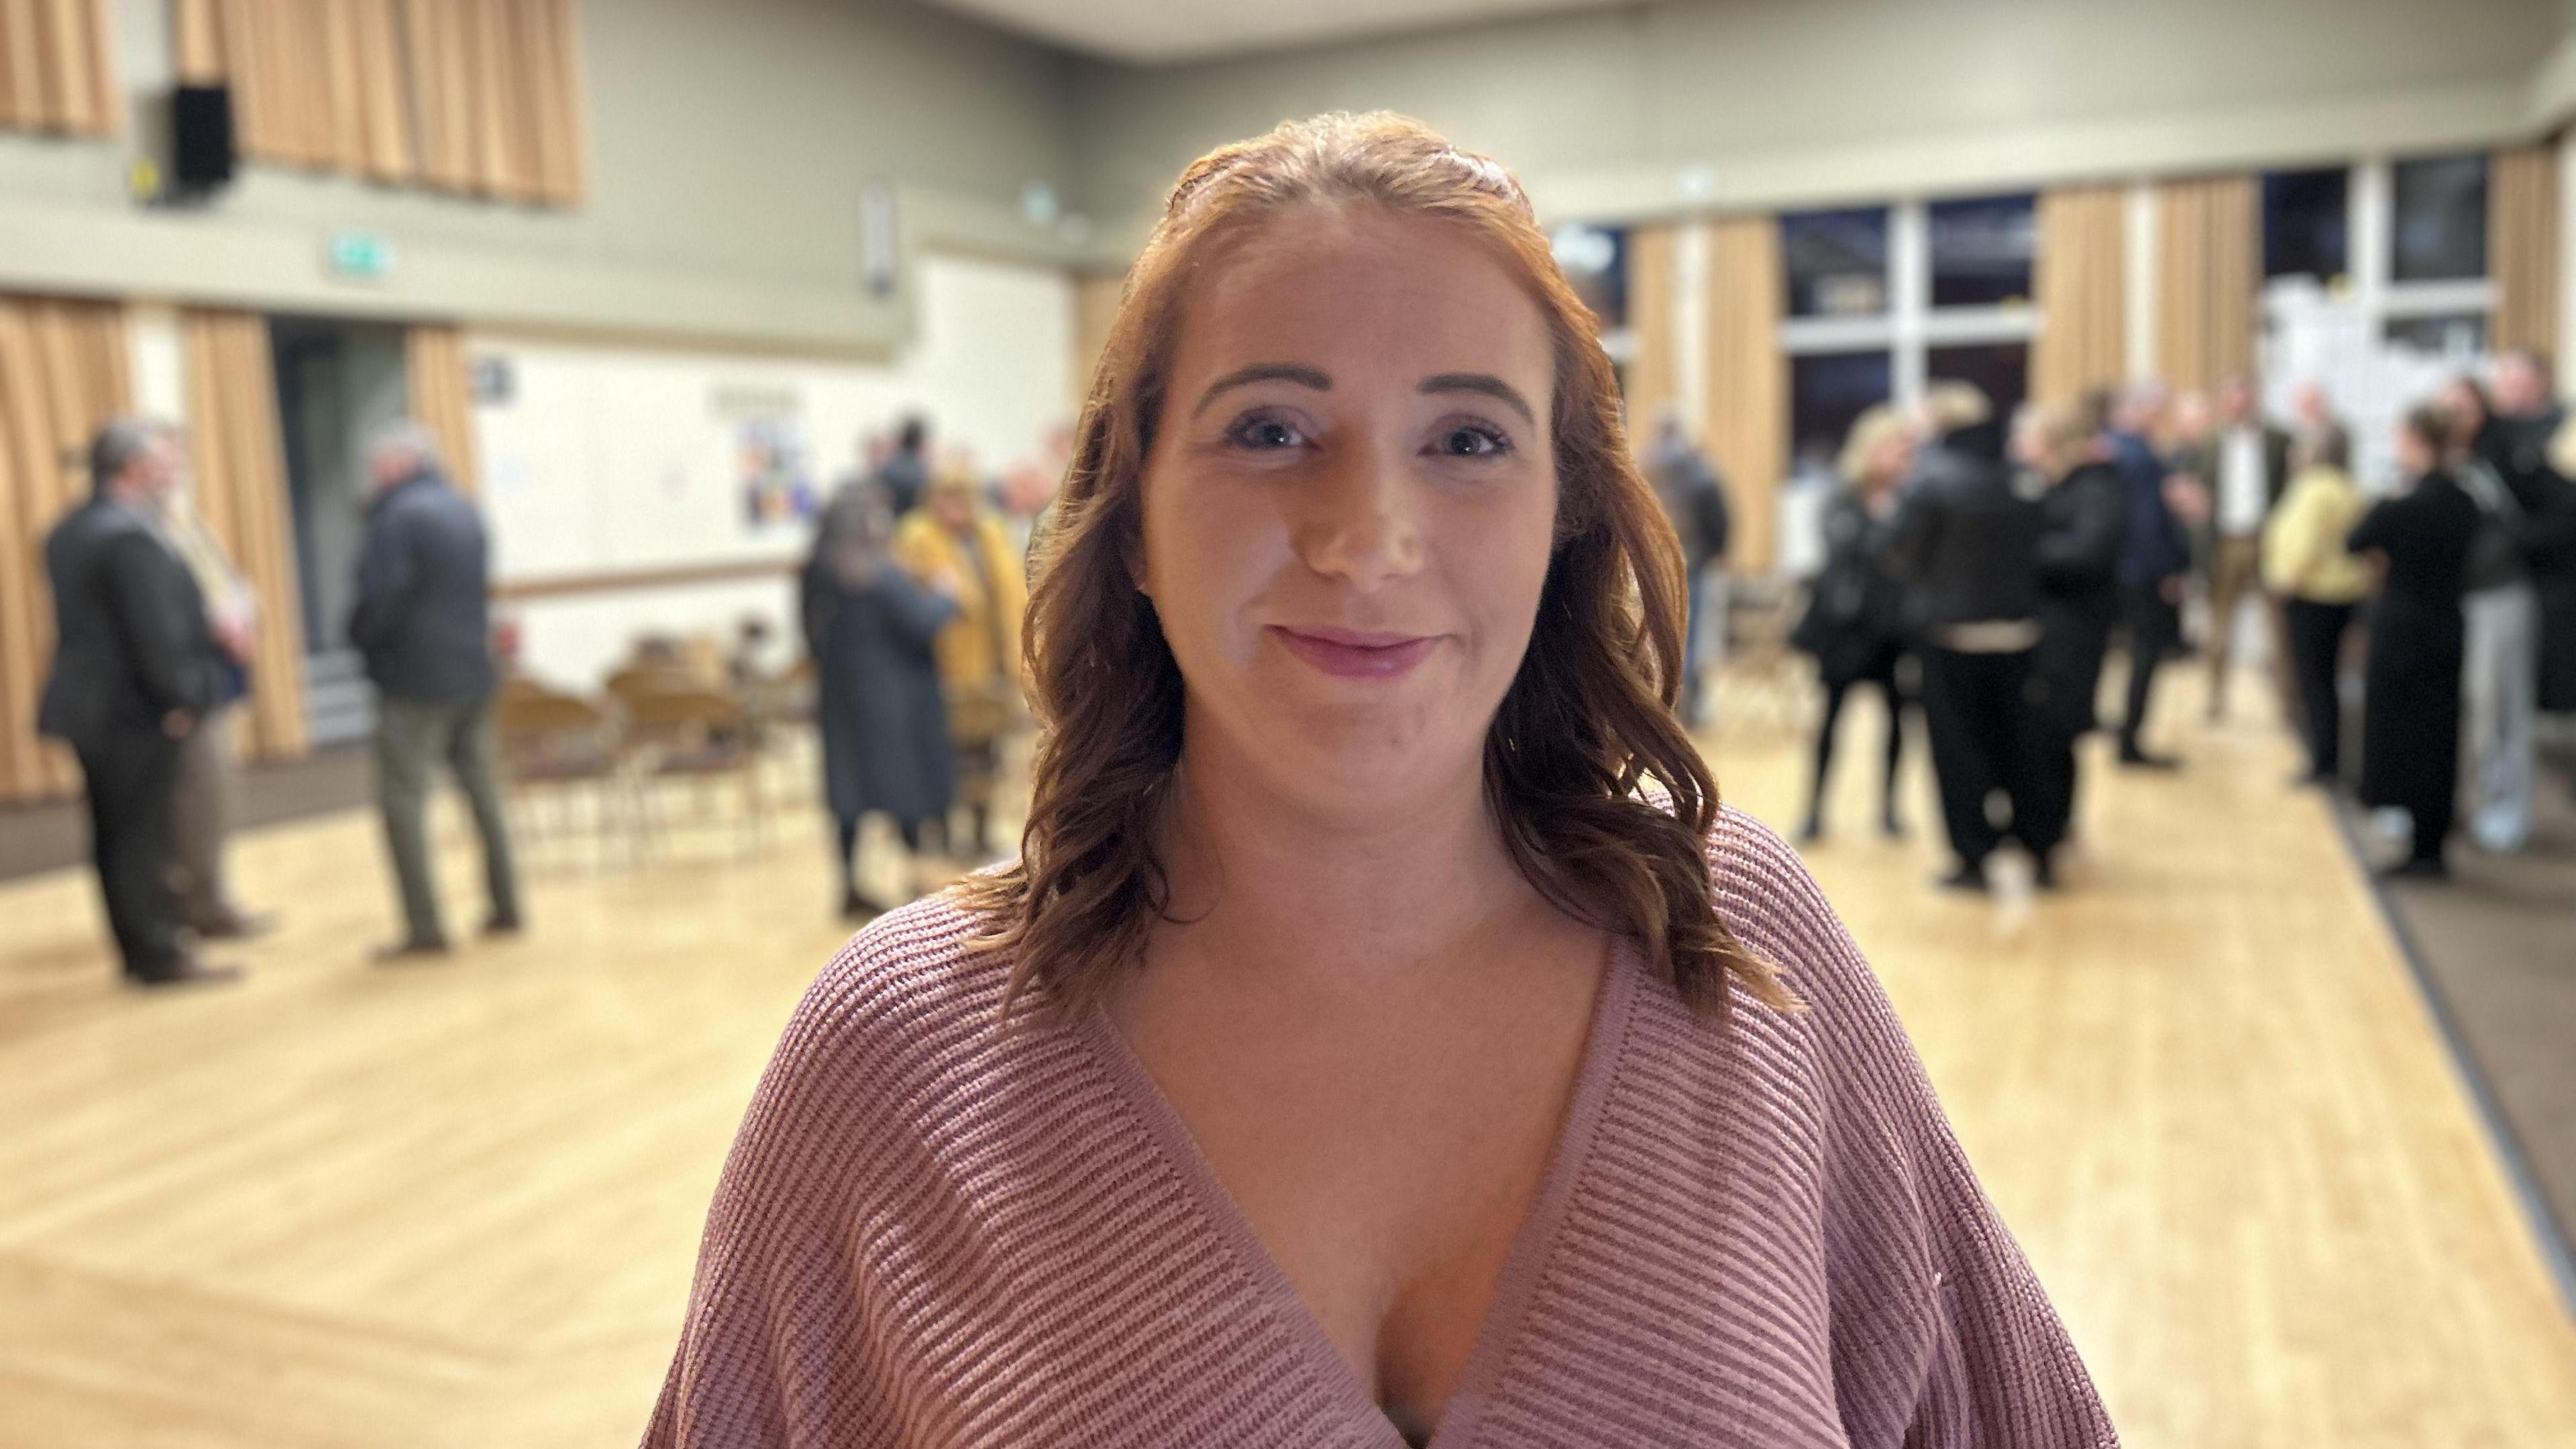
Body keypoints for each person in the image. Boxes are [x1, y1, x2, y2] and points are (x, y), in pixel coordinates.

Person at [645, 113, 2113, 1448]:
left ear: (1561, 522)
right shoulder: (898, 1058)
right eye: (1271, 430)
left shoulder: (1737, 954)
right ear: (1137, 520)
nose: (1369, 533)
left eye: (1468, 440)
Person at [36, 420, 240, 987]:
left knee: (115, 834)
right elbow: (155, 632)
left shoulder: (71, 528)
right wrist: (180, 699)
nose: (170, 474)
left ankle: (140, 945)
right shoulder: (130, 535)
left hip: (92, 706)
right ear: (132, 469)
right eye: (161, 464)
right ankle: (157, 953)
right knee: (141, 838)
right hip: (131, 709)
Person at [348, 423, 523, 958]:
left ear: (399, 464)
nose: (372, 477)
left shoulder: (397, 517)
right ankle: (507, 905)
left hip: (415, 680)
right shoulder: (463, 507)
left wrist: (361, 642)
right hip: (472, 671)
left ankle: (425, 927)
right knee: (485, 792)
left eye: (378, 466)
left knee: (403, 799)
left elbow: (382, 600)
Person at [1886, 382, 2055, 891]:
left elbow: (1902, 555)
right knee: (2023, 748)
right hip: (2020, 633)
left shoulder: (1929, 479)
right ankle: (2040, 851)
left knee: (1958, 755)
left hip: (1950, 637)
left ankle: (1973, 859)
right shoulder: (2023, 474)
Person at [802, 476, 959, 918]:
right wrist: (946, 596)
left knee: (848, 796)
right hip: (894, 703)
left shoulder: (817, 571)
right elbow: (922, 623)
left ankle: (850, 887)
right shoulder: (881, 574)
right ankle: (920, 881)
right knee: (904, 789)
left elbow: (809, 636)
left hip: (839, 700)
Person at [2350, 406, 2479, 879]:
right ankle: (2432, 842)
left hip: (2401, 631)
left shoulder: (2400, 505)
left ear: (2415, 442)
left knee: (2400, 736)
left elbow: (2355, 540)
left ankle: (2409, 837)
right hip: (2446, 627)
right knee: (2439, 737)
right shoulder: (2464, 501)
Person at [158, 472, 272, 938]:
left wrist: (244, 621)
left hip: (214, 675)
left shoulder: (190, 526)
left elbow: (222, 585)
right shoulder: (151, 536)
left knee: (214, 792)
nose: (173, 470)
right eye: (165, 460)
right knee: (197, 795)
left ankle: (211, 894)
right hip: (185, 684)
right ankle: (198, 901)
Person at [896, 463, 1029, 861]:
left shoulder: (991, 534)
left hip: (992, 663)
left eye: (962, 500)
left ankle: (981, 832)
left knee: (988, 751)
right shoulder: (915, 540)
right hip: (941, 668)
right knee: (945, 757)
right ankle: (946, 835)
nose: (955, 509)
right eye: (946, 500)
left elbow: (1012, 594)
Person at [1790, 403, 1911, 843]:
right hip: (1844, 630)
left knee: (1899, 721)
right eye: (1894, 448)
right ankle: (1815, 811)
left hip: (1894, 630)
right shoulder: (1841, 496)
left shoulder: (1911, 499)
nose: (1901, 458)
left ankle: (1890, 809)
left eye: (1905, 449)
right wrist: (1889, 522)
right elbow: (1846, 548)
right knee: (1830, 721)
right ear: (1869, 450)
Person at [2022, 397, 2127, 859]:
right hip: (2050, 626)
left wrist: (2021, 552)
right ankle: (2048, 824)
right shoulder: (2051, 486)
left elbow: (2089, 552)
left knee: (2058, 729)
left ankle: (2056, 826)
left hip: (2076, 630)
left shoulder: (2096, 487)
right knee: (2045, 732)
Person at [2445, 376, 2540, 853]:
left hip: (2501, 594)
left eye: (2462, 406)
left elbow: (2522, 524)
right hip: (2457, 599)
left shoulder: (2502, 459)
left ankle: (2508, 809)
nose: (2454, 415)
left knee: (2502, 707)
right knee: (2468, 708)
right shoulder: (2446, 462)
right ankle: (2469, 801)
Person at [2263, 424, 2373, 785]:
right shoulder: (2349, 486)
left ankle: (2323, 762)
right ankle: (2332, 757)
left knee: (2315, 683)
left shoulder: (2313, 488)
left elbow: (2301, 540)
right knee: (2330, 680)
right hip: (2345, 592)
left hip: (2313, 594)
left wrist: (2286, 576)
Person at [2196, 375, 2294, 722]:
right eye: (2231, 398)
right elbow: (2199, 493)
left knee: (2279, 627)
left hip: (2266, 540)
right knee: (2219, 628)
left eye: (2244, 398)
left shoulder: (2278, 440)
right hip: (2224, 541)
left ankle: (2287, 703)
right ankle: (2215, 698)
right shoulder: (2210, 444)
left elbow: (2289, 490)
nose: (2238, 405)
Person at [2487, 350, 2576, 722]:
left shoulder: (2563, 427)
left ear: (2540, 382)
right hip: (2508, 569)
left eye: (2519, 382)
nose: (2511, 391)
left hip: (2560, 567)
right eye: (2506, 383)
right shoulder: (2493, 434)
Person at [2108, 382, 2192, 768]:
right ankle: (2130, 741)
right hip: (2141, 570)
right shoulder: (2141, 458)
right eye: (2157, 413)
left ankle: (2126, 734)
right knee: (2145, 654)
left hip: (2119, 566)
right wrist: (2170, 571)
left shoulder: (2112, 447)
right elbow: (2149, 524)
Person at [1640, 409, 1732, 728]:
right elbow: (1718, 518)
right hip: (1693, 562)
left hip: (1648, 564)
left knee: (1652, 633)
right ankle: (1690, 707)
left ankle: (1656, 706)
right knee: (1692, 637)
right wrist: (1716, 551)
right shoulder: (1699, 470)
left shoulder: (1640, 468)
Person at [875, 414, 932, 518]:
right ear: (920, 441)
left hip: (892, 520)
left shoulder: (887, 469)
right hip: (914, 523)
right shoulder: (924, 472)